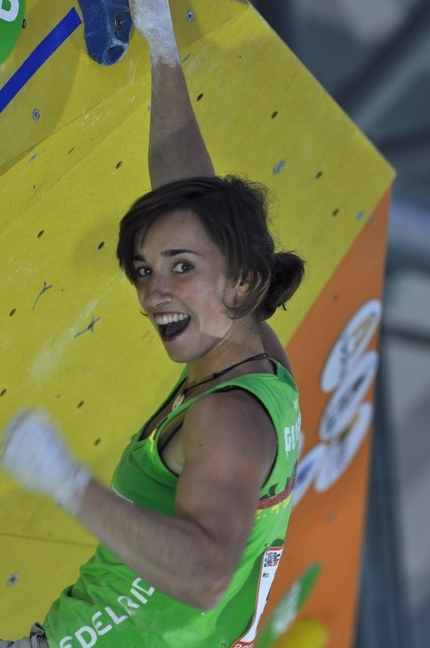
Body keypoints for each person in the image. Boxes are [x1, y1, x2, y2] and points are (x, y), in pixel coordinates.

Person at [0, 1, 305, 647]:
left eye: (179, 268)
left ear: (243, 281)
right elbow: (191, 203)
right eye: (144, 270)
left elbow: (204, 576)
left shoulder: (226, 416)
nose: (152, 292)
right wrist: (163, 46)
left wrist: (66, 481)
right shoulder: (252, 356)